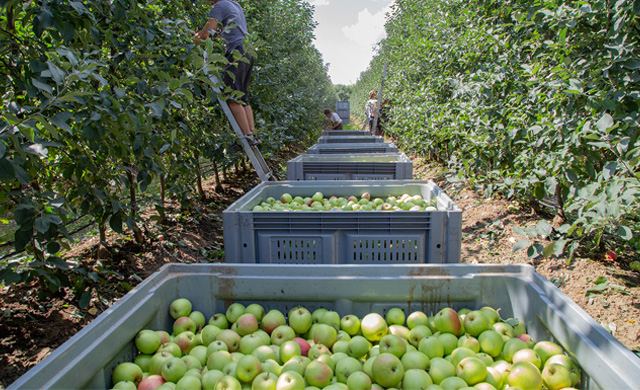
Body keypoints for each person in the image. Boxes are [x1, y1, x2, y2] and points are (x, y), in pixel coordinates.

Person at [193, 0, 260, 145]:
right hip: (247, 50)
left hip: (237, 51)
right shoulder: (234, 5)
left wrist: (194, 39)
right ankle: (252, 135)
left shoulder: (220, 5)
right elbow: (218, 33)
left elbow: (206, 34)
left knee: (232, 97)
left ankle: (247, 136)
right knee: (242, 97)